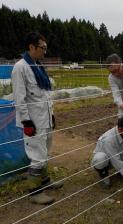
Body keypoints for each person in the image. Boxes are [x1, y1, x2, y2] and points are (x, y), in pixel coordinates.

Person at [11, 32, 62, 205]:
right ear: (31, 47)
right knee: (37, 155)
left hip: (44, 118)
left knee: (45, 151)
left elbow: (45, 95)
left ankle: (45, 181)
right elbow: (19, 98)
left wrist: (52, 114)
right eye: (43, 48)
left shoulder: (38, 66)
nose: (45, 52)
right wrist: (26, 122)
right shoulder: (20, 67)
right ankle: (35, 191)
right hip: (33, 121)